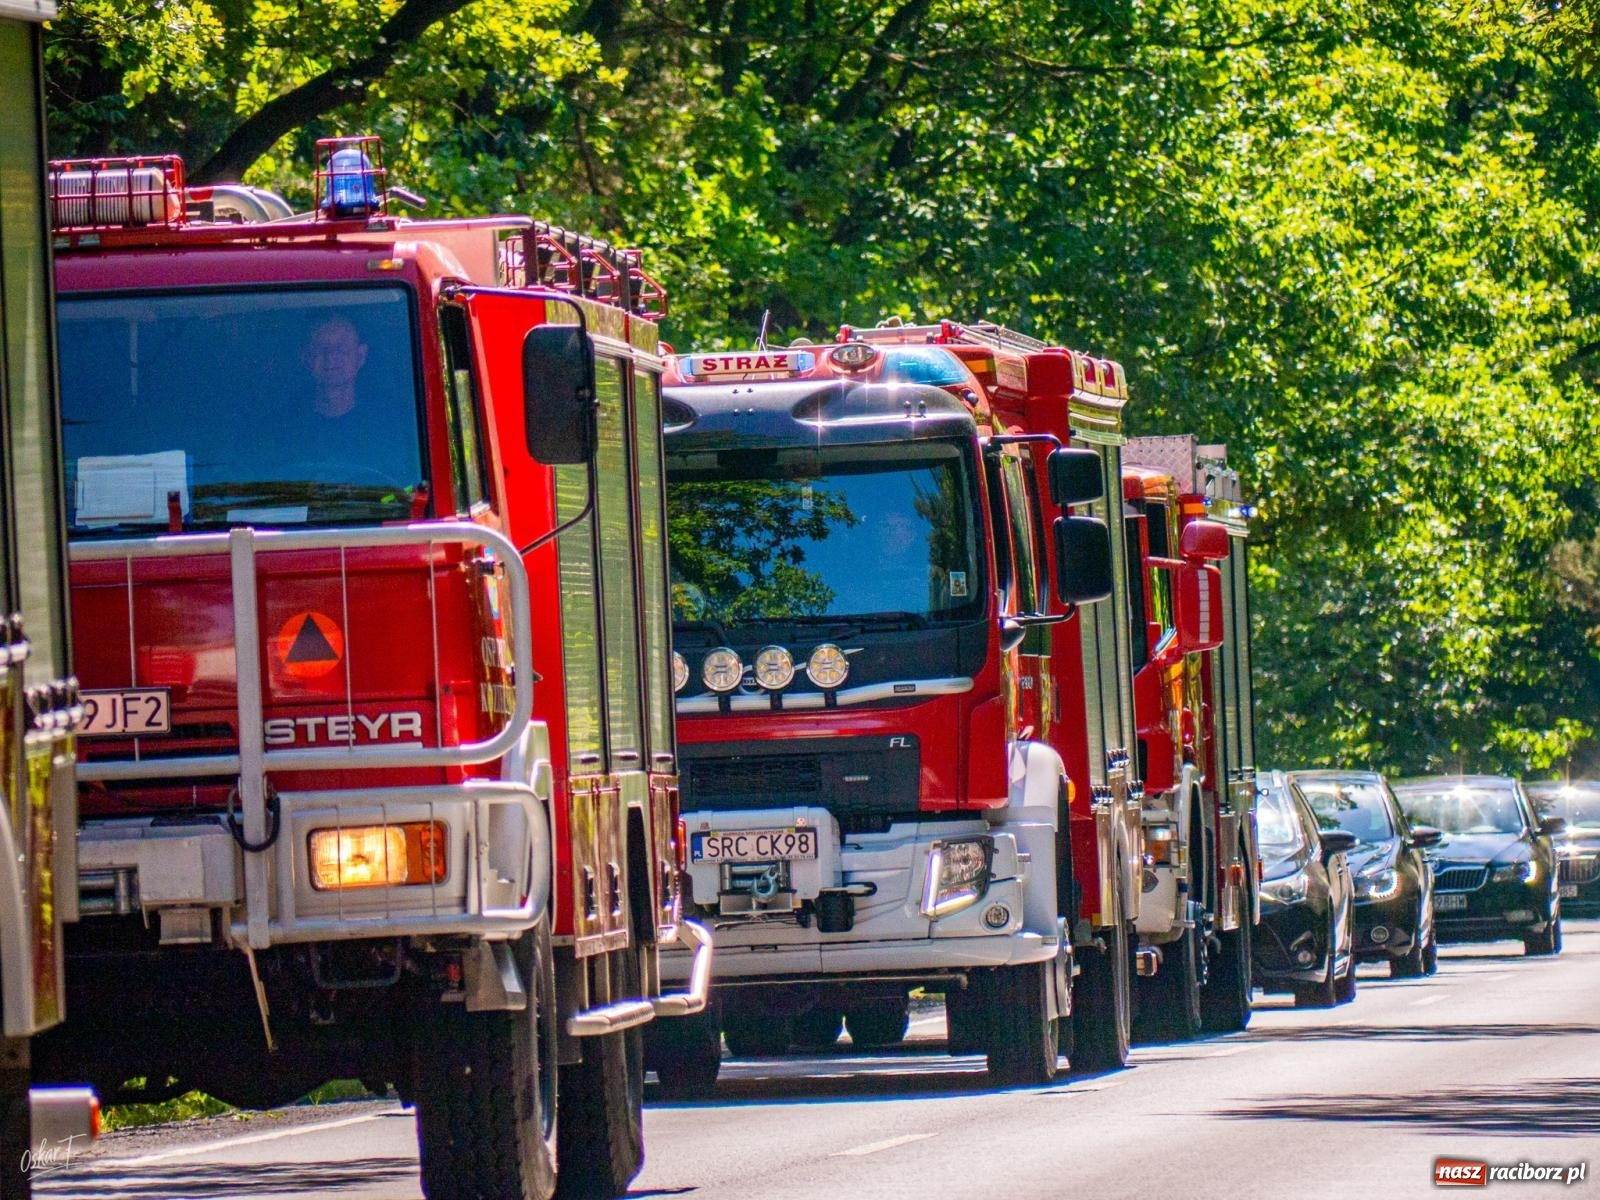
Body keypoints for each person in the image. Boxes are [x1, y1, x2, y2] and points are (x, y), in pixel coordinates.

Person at [302, 315, 369, 419]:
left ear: (360, 356)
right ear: (306, 358)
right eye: (321, 347)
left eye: (341, 348)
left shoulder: (387, 416)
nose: (330, 356)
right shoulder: (283, 420)